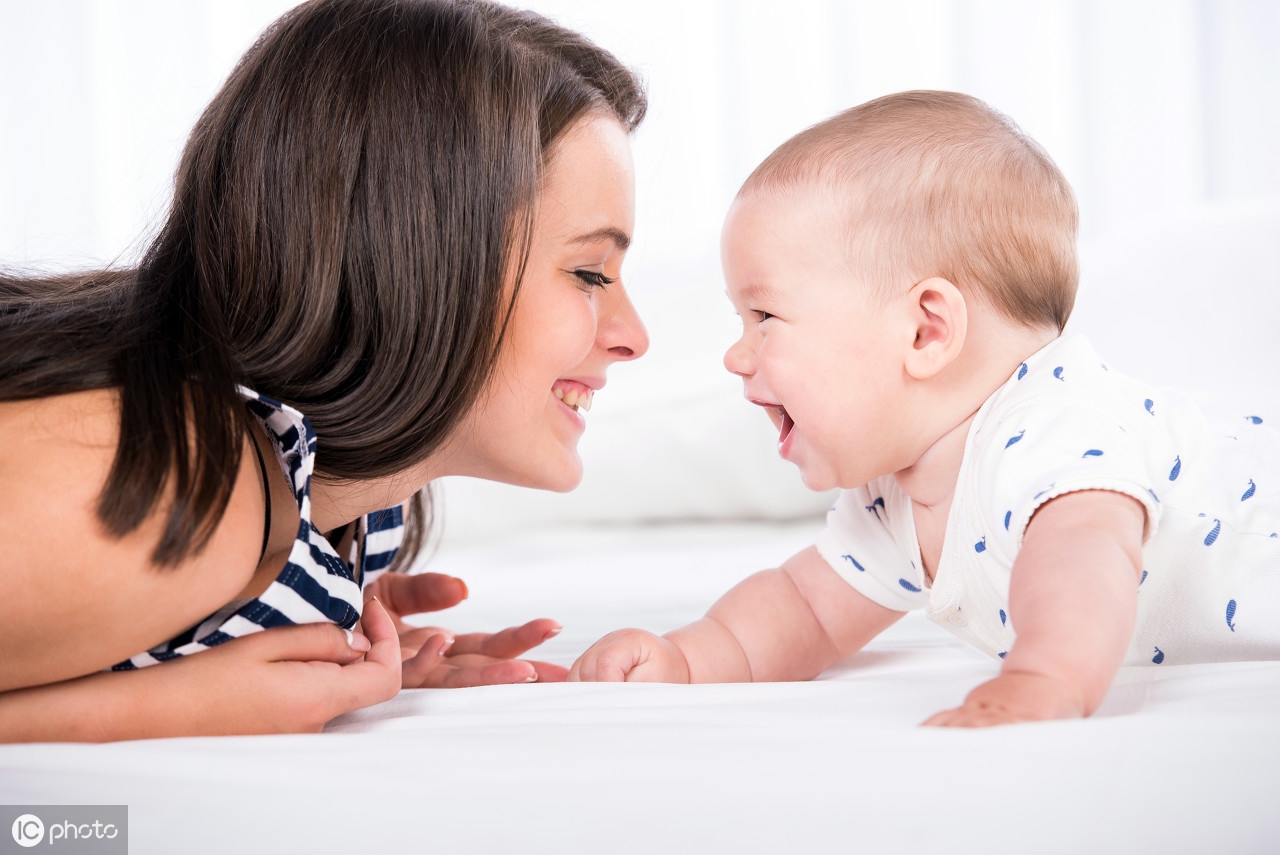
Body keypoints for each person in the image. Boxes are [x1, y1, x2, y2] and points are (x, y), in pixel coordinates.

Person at [0, 0, 649, 742]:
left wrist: (326, 630)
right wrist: (176, 706)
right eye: (590, 273)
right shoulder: (189, 477)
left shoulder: (349, 508)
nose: (635, 337)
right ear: (416, 265)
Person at [569, 90, 1280, 726]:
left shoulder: (1051, 429)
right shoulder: (898, 497)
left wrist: (1045, 676)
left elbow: (1082, 563)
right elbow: (806, 608)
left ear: (925, 331)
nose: (736, 355)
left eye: (763, 315)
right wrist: (689, 657)